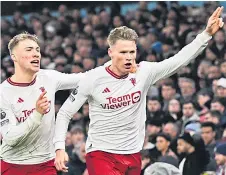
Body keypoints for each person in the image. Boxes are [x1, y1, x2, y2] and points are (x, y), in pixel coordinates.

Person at [54, 7, 224, 174]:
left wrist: (206, 35)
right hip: (102, 154)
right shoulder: (92, 79)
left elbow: (178, 60)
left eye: (132, 52)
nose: (129, 57)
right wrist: (59, 148)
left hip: (133, 153)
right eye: (123, 52)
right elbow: (64, 114)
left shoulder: (144, 72)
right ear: (110, 52)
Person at [0, 32, 107, 175]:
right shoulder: (4, 92)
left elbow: (84, 78)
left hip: (45, 164)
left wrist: (111, 67)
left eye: (37, 50)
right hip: (14, 165)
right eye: (29, 50)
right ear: (14, 57)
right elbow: (11, 138)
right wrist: (37, 114)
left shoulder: (48, 77)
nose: (36, 54)